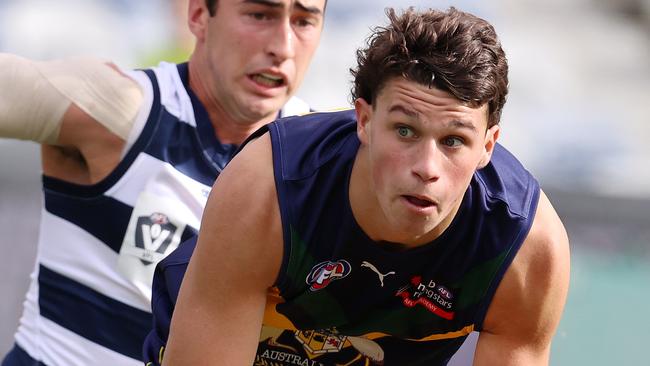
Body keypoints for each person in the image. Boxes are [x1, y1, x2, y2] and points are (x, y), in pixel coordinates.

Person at [158, 6, 571, 366]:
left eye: (453, 141)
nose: (427, 168)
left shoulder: (524, 248)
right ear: (365, 121)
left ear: (487, 145)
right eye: (405, 130)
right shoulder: (269, 188)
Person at [0, 0, 326, 365]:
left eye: (304, 21)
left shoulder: (323, 162)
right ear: (199, 15)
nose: (282, 46)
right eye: (259, 15)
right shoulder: (123, 111)